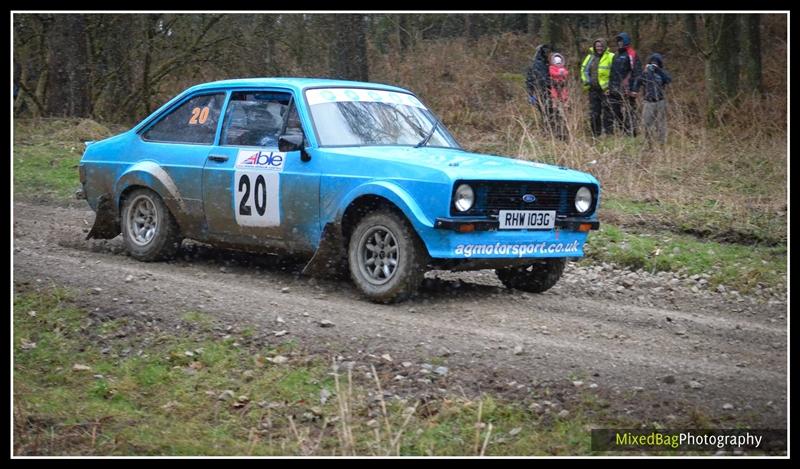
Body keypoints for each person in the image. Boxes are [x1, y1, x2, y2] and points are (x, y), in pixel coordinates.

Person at [608, 32, 642, 136]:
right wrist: (610, 87)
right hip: (614, 89)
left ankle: (631, 133)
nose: (619, 43)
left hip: (628, 89)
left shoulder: (632, 54)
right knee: (615, 111)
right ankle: (623, 130)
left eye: (621, 41)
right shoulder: (616, 55)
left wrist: (635, 89)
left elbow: (637, 72)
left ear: (626, 41)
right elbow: (612, 73)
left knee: (630, 111)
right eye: (618, 41)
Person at [580, 38, 614, 137]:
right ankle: (596, 134)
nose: (599, 48)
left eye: (601, 46)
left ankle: (609, 134)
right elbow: (584, 71)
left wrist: (610, 87)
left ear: (605, 46)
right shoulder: (590, 57)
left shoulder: (611, 57)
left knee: (608, 113)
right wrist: (588, 81)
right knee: (594, 113)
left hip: (606, 90)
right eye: (597, 46)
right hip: (593, 90)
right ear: (594, 47)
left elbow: (614, 73)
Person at [640, 53, 672, 146]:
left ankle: (662, 143)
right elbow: (638, 81)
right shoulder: (646, 72)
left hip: (660, 101)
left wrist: (658, 70)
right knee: (646, 123)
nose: (654, 64)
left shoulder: (662, 72)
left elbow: (668, 80)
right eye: (652, 62)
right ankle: (648, 143)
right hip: (648, 101)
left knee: (661, 124)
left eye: (656, 62)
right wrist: (645, 72)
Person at [526, 44, 554, 133]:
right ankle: (548, 131)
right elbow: (532, 80)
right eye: (546, 52)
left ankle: (550, 131)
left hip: (551, 91)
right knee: (546, 112)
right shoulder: (537, 65)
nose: (548, 54)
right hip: (542, 91)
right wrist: (531, 94)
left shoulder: (550, 63)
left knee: (550, 112)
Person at [548, 53, 569, 139]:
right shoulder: (551, 68)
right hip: (554, 87)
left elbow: (566, 73)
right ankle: (555, 106)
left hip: (562, 87)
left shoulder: (562, 68)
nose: (558, 63)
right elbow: (552, 73)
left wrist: (562, 73)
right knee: (554, 97)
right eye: (556, 62)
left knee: (564, 97)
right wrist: (559, 74)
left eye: (559, 62)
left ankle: (565, 105)